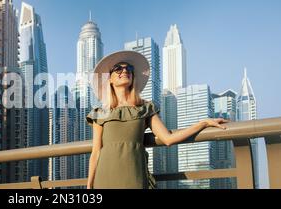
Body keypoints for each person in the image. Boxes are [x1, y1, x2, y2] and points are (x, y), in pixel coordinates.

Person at [86, 51, 229, 189]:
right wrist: (89, 184)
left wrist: (203, 123)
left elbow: (168, 139)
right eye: (118, 69)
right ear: (109, 79)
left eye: (128, 68)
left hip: (134, 175)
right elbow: (96, 152)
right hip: (104, 176)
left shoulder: (145, 108)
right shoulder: (100, 113)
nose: (124, 71)